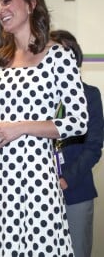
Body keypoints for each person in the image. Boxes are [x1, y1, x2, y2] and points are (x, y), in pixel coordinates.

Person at [0, 0, 88, 256]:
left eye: (7, 1)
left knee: (39, 247)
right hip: (0, 174)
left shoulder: (58, 56)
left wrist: (19, 128)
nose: (0, 9)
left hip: (36, 173)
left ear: (31, 4)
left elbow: (77, 121)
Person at [50, 29, 104, 257]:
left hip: (75, 191)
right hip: (38, 193)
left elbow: (93, 148)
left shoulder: (89, 95)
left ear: (73, 57)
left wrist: (65, 180)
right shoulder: (39, 97)